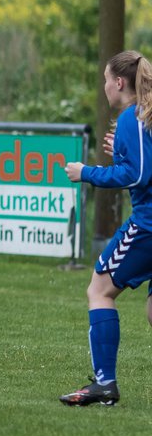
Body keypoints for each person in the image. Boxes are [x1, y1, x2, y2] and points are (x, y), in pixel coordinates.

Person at [60, 50, 152, 407]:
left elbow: (139, 175)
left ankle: (104, 384)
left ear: (119, 82)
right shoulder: (143, 117)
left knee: (99, 290)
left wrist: (88, 173)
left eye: (104, 80)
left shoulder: (133, 117)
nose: (103, 87)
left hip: (146, 227)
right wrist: (125, 153)